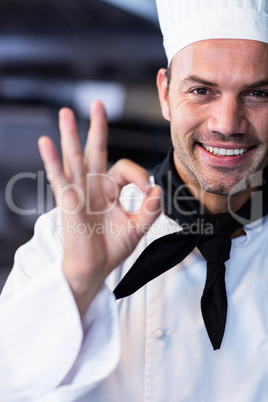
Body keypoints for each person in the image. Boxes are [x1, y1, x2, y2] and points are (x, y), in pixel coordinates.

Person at [1, 0, 268, 400]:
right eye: (201, 91)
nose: (227, 123)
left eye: (258, 93)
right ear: (165, 93)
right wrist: (79, 280)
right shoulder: (67, 237)